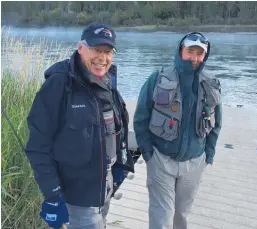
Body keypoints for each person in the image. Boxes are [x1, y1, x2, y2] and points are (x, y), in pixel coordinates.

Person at [25, 23, 133, 229]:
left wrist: (122, 165)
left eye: (108, 51)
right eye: (96, 50)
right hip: (77, 198)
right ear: (80, 48)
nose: (102, 58)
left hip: (105, 188)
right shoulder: (59, 84)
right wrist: (53, 195)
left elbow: (117, 131)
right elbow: (38, 144)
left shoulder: (109, 82)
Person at [133, 32, 222, 229]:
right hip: (161, 160)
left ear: (205, 55)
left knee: (181, 215)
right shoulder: (157, 78)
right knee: (161, 217)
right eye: (190, 51)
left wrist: (209, 154)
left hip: (195, 162)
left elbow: (217, 123)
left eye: (200, 53)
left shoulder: (212, 83)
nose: (194, 58)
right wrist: (148, 153)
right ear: (180, 50)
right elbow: (140, 118)